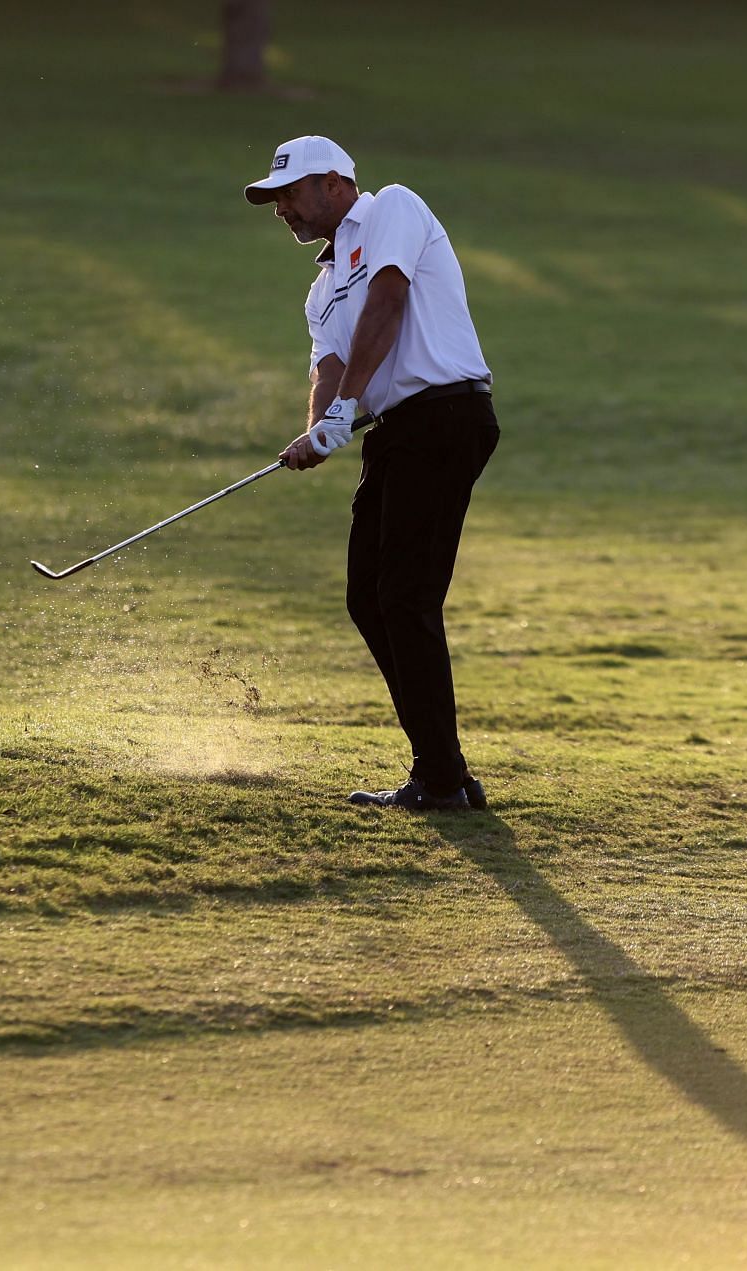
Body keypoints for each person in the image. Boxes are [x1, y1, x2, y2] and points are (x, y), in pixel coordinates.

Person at [244, 135, 500, 812]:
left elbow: (387, 303)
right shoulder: (322, 289)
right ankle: (447, 771)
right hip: (395, 433)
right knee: (370, 597)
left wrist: (345, 408)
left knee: (405, 597)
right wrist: (316, 429)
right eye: (275, 201)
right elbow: (328, 369)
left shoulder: (393, 210)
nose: (282, 211)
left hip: (445, 416)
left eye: (290, 194)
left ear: (334, 183)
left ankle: (441, 781)